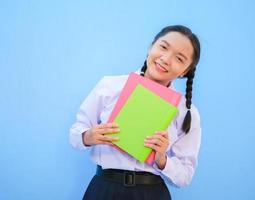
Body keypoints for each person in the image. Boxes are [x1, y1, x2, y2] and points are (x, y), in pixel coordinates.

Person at [69, 25, 201, 200]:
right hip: (104, 189)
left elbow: (185, 176)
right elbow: (75, 133)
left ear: (185, 71)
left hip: (151, 193)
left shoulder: (186, 112)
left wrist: (162, 159)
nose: (166, 59)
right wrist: (88, 136)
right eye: (163, 47)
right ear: (151, 46)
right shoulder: (110, 85)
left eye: (179, 58)